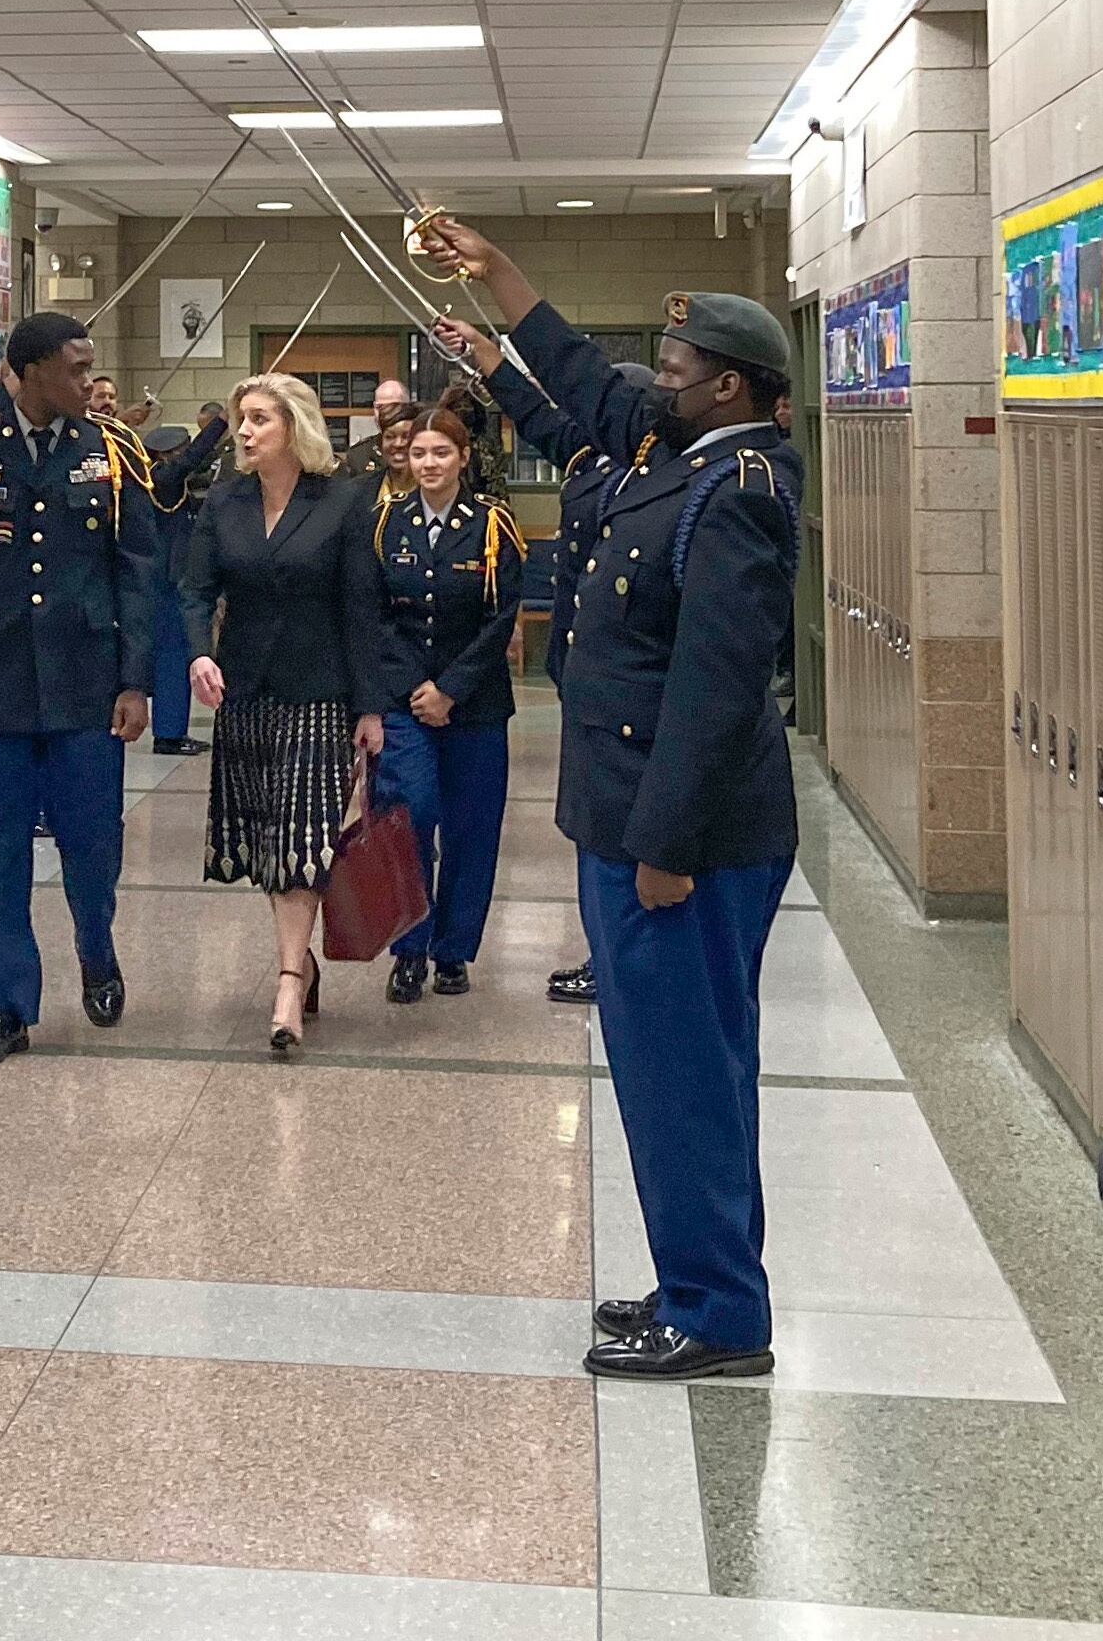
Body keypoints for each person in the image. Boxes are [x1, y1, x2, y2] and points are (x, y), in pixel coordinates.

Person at [422, 215, 801, 1384]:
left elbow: (718, 687)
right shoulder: (680, 451)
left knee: (683, 1074)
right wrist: (500, 279)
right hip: (632, 815)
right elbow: (579, 383)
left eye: (677, 372)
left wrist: (667, 846)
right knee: (674, 1068)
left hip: (678, 835)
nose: (657, 384)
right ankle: (699, 1278)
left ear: (726, 384)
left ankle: (722, 1314)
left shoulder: (737, 487)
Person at [0, 312, 159, 1068]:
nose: (87, 383)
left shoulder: (112, 453)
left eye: (91, 367)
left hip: (87, 683)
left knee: (92, 846)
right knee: (2, 852)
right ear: (23, 375)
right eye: (71, 369)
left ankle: (97, 951)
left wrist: (135, 681)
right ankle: (9, 1007)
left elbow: (137, 574)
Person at [435, 318, 656, 1008]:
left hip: (622, 686)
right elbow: (534, 415)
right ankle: (607, 950)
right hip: (580, 672)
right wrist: (488, 357)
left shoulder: (645, 477)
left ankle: (615, 956)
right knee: (590, 828)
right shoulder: (593, 458)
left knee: (617, 832)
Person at [176, 371, 387, 1053]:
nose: (243, 431)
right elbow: (194, 589)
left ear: (293, 427)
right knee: (269, 841)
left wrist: (371, 706)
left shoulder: (344, 502)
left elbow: (361, 608)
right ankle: (304, 959)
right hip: (246, 694)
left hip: (319, 692)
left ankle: (289, 982)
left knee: (302, 839)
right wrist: (197, 655)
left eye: (258, 419)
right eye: (242, 418)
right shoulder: (224, 500)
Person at [364, 407, 525, 1005]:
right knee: (409, 817)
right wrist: (416, 690)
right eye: (419, 454)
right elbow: (375, 616)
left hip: (475, 704)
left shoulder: (491, 527)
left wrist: (451, 689)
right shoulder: (386, 526)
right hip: (406, 702)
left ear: (463, 459)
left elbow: (501, 615)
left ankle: (454, 949)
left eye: (441, 453)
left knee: (471, 829)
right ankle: (409, 949)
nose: (428, 464)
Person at [145, 409, 233, 755]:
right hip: (169, 581)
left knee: (178, 655)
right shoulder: (163, 478)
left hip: (171, 577)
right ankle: (168, 733)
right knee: (173, 657)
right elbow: (195, 457)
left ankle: (172, 729)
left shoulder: (168, 478)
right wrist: (221, 422)